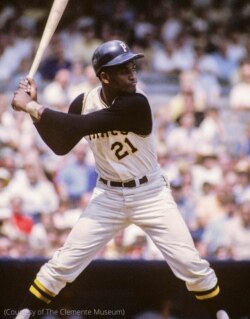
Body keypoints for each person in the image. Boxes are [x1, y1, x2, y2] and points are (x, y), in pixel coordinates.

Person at [12, 40, 231, 319]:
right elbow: (61, 144)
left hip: (150, 193)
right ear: (104, 76)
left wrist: (32, 107)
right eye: (123, 69)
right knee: (62, 264)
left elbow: (84, 125)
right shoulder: (83, 101)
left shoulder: (136, 103)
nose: (132, 73)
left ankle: (223, 316)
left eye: (132, 66)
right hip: (108, 196)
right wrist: (33, 114)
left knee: (192, 265)